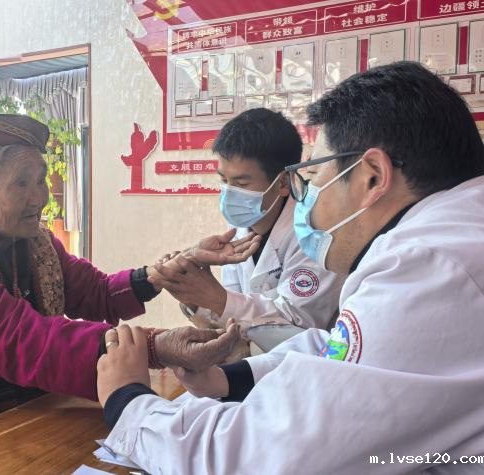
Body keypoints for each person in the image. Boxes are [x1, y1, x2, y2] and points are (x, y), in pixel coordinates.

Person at [96, 62, 484, 474]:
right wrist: (229, 378)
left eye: (312, 176)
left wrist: (128, 402)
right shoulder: (450, 237)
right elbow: (338, 352)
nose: (308, 196)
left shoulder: (428, 264)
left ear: (372, 178)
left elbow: (261, 456)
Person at [0, 114, 248, 472]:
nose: (40, 197)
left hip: (12, 415)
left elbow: (96, 292)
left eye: (40, 179)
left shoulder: (32, 240)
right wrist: (154, 347)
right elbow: (17, 339)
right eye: (21, 182)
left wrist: (161, 274)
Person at [150, 108, 345, 354]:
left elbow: (299, 326)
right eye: (224, 181)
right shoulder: (240, 225)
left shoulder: (314, 231)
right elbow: (232, 318)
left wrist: (216, 299)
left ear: (283, 182)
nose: (230, 193)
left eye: (241, 183)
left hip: (307, 366)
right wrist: (193, 296)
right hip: (251, 363)